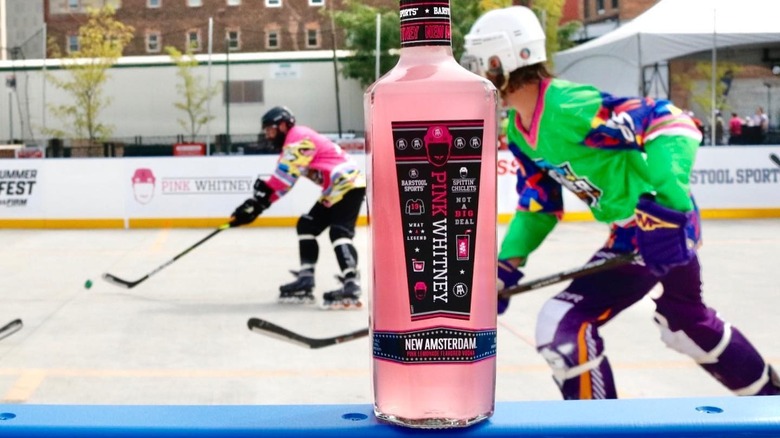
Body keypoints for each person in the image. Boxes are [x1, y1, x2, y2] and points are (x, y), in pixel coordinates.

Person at [464, 6, 779, 399]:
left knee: (562, 324)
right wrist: (506, 264)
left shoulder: (566, 107)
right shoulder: (520, 134)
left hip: (657, 227)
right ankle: (770, 400)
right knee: (684, 321)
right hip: (632, 233)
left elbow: (671, 120)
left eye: (477, 64)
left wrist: (668, 203)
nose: (472, 76)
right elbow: (540, 205)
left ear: (504, 60)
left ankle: (599, 425)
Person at [229, 106, 367, 310]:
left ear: (283, 125)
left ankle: (352, 284)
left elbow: (282, 179)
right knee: (307, 225)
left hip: (348, 184)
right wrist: (258, 207)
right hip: (336, 188)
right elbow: (285, 183)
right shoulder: (291, 144)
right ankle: (306, 278)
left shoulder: (298, 138)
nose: (268, 135)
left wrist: (258, 201)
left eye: (270, 130)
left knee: (340, 232)